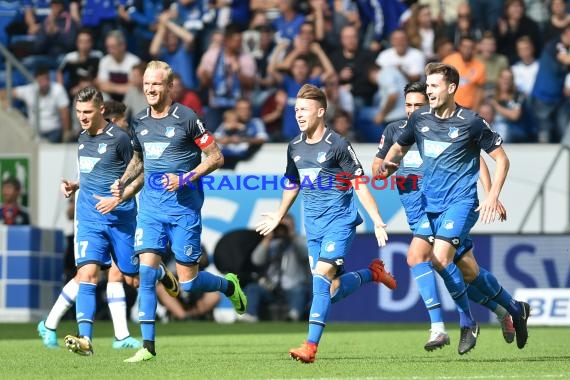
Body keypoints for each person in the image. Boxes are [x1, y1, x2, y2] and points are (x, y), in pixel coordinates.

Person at [382, 63, 531, 355]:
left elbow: (500, 159)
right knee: (469, 271)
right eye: (427, 86)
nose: (429, 91)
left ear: (451, 88)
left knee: (437, 257)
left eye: (434, 86)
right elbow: (398, 148)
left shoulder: (471, 122)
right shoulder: (420, 118)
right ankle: (514, 309)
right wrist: (388, 164)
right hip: (431, 204)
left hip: (461, 203)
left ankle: (466, 323)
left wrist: (491, 196)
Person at [113, 60, 247, 363]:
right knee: (146, 272)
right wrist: (122, 181)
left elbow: (216, 157)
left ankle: (228, 285)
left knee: (188, 282)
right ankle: (147, 347)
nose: (149, 89)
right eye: (146, 83)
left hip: (184, 210)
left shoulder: (187, 118)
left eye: (156, 84)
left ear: (169, 86)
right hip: (150, 209)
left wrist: (185, 178)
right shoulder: (140, 121)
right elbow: (139, 159)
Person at [255, 84, 396, 364]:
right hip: (313, 226)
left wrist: (377, 220)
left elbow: (360, 185)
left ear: (321, 112)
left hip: (339, 222)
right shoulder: (294, 146)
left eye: (304, 109)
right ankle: (372, 274)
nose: (298, 114)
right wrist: (279, 213)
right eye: (295, 110)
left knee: (320, 280)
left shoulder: (338, 145)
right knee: (329, 290)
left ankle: (310, 347)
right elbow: (292, 183)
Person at [58, 87, 179, 356]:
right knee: (87, 274)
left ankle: (159, 272)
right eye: (78, 113)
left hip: (120, 219)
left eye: (87, 112)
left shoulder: (121, 139)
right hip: (90, 219)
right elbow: (93, 174)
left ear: (101, 110)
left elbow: (144, 171)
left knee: (132, 276)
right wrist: (75, 185)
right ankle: (85, 340)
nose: (82, 118)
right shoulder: (81, 138)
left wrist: (120, 196)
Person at [242, 214, 311, 322]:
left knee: (300, 291)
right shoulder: (272, 243)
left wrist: (292, 236)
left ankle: (293, 315)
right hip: (271, 287)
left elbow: (305, 254)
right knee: (253, 288)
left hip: (293, 286)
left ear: (293, 226)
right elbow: (256, 260)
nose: (282, 229)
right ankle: (250, 315)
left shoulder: (300, 240)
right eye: (280, 225)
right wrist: (267, 239)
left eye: (286, 226)